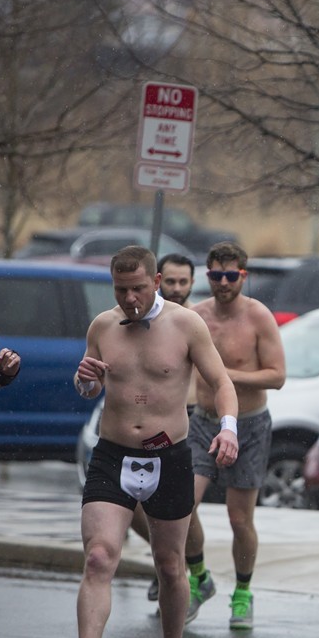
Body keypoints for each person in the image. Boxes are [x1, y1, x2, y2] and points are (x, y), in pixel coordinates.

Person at [75, 245, 239, 638]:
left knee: (169, 566)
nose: (130, 298)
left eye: (138, 288)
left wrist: (229, 429)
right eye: (121, 290)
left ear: (157, 282)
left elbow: (221, 382)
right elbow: (89, 387)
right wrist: (86, 380)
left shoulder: (186, 324)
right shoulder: (102, 326)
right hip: (112, 454)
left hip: (169, 457)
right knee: (98, 558)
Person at [185, 241, 286, 630]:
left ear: (244, 275)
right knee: (182, 506)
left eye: (231, 276)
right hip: (203, 421)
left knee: (239, 518)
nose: (223, 283)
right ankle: (199, 578)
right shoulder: (195, 317)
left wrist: (224, 376)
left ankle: (243, 592)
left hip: (249, 425)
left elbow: (277, 376)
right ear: (207, 275)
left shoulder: (258, 317)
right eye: (216, 275)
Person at [134, 252, 199, 603]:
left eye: (182, 282)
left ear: (192, 283)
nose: (176, 288)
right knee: (134, 507)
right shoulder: (142, 321)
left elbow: (220, 378)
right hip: (143, 427)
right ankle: (171, 561)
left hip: (191, 422)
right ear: (159, 280)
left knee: (188, 505)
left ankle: (187, 570)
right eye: (170, 281)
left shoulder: (196, 322)